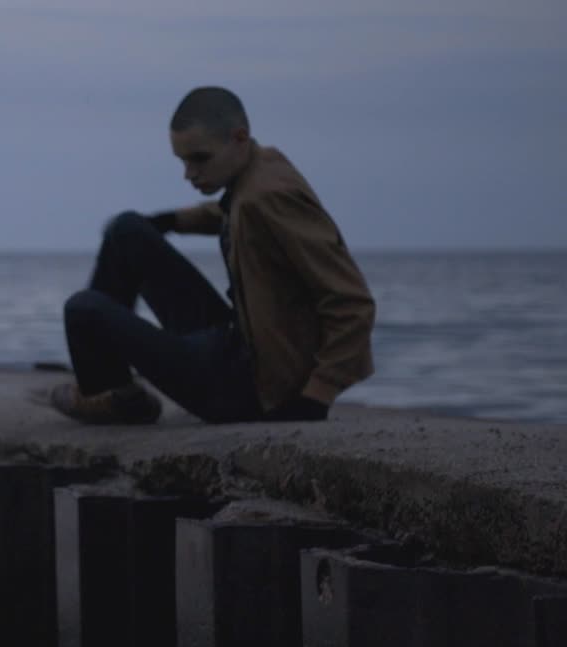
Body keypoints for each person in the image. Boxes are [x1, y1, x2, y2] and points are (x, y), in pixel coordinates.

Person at [50, 86, 375, 425]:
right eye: (183, 161)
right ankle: (116, 390)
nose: (189, 173)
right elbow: (231, 213)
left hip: (250, 393)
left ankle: (111, 396)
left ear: (239, 137)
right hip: (237, 344)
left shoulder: (268, 198)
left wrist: (316, 398)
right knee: (126, 229)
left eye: (200, 159)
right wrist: (169, 222)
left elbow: (352, 303)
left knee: (84, 308)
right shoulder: (262, 165)